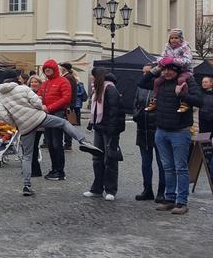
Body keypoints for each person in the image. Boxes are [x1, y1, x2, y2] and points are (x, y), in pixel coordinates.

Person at [0, 69, 103, 197]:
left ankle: (26, 185)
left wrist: (17, 123)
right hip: (39, 117)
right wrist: (38, 110)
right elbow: (37, 102)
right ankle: (83, 141)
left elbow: (3, 116)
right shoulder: (23, 88)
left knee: (27, 156)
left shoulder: (0, 96)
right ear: (16, 78)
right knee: (63, 123)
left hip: (24, 127)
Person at [139, 61, 202, 215]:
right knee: (167, 167)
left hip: (179, 131)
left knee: (180, 168)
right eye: (164, 70)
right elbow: (142, 82)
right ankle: (169, 199)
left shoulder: (187, 81)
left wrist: (182, 94)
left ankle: (182, 202)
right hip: (161, 131)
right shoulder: (160, 82)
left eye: (170, 70)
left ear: (177, 71)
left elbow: (199, 101)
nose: (166, 73)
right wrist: (157, 68)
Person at [82, 68, 126, 201]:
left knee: (110, 159)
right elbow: (95, 110)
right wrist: (92, 123)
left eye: (93, 76)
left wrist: (113, 131)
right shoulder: (98, 89)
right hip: (99, 127)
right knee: (97, 159)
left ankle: (111, 189)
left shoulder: (110, 89)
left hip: (109, 129)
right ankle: (97, 188)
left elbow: (115, 111)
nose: (91, 78)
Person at [133, 65, 166, 203]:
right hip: (143, 129)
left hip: (158, 129)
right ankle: (147, 189)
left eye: (149, 72)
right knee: (146, 163)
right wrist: (137, 115)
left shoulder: (163, 87)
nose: (146, 74)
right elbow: (135, 103)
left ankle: (161, 191)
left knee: (162, 163)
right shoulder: (141, 87)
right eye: (145, 72)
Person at [39, 59, 72, 181]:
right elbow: (40, 95)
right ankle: (54, 169)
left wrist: (50, 107)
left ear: (54, 69)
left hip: (57, 114)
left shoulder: (63, 81)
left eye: (49, 69)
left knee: (57, 143)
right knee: (50, 143)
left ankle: (59, 171)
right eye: (45, 69)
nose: (47, 71)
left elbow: (66, 98)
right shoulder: (45, 83)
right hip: (46, 115)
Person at [146, 29, 193, 113]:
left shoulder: (185, 47)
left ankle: (184, 103)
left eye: (176, 38)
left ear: (180, 39)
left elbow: (188, 61)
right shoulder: (167, 47)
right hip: (171, 71)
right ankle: (154, 101)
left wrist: (173, 60)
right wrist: (161, 61)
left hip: (184, 71)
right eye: (172, 38)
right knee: (157, 81)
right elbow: (161, 57)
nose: (174, 40)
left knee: (181, 80)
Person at [28, 75, 44, 177]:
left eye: (36, 82)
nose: (33, 83)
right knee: (29, 147)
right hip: (28, 123)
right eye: (32, 82)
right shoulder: (27, 93)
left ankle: (35, 170)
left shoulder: (42, 94)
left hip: (38, 123)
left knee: (33, 146)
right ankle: (32, 168)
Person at [59, 63, 78, 151]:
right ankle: (67, 143)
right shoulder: (69, 76)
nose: (59, 69)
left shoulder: (68, 77)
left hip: (68, 105)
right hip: (69, 104)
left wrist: (68, 105)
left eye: (61, 68)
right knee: (67, 124)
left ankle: (68, 144)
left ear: (64, 69)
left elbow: (68, 93)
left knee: (67, 124)